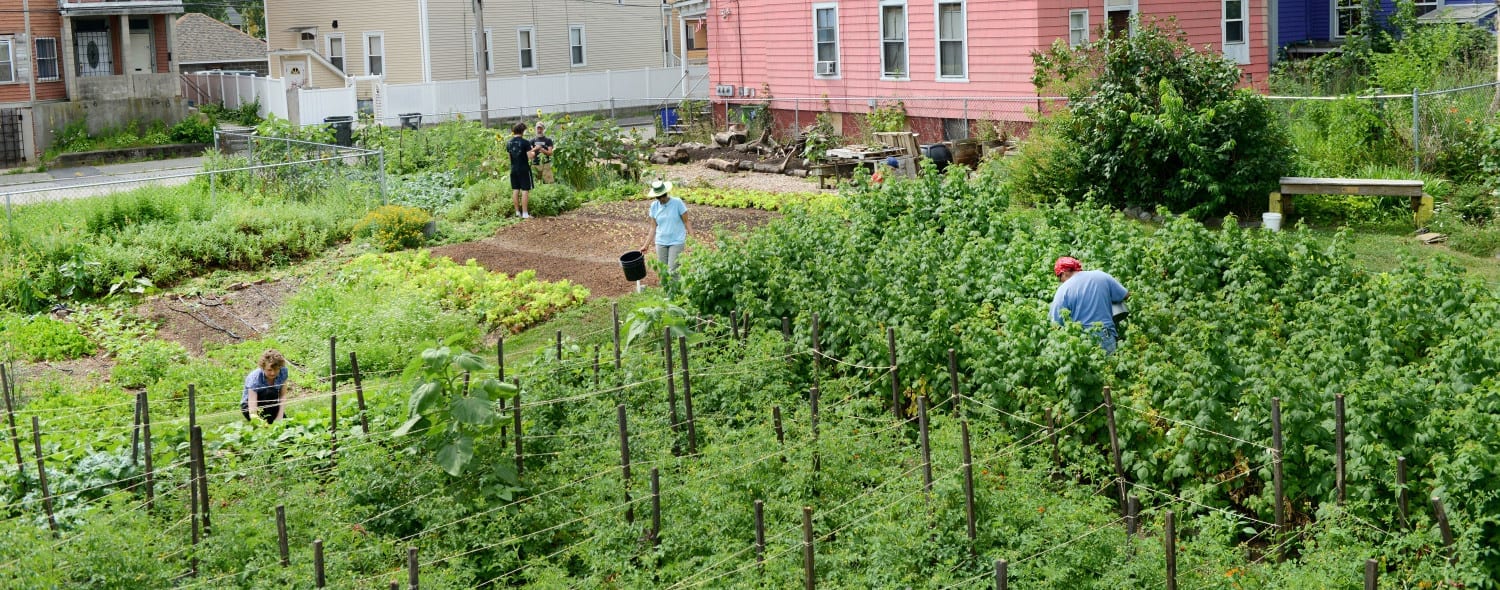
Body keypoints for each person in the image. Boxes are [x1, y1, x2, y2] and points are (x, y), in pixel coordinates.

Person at [1049, 257, 1129, 353]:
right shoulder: (1101, 276)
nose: (1060, 281)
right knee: (1110, 366)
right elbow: (1125, 295)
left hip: (1082, 340)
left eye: (1059, 277)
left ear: (1064, 272)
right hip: (1106, 335)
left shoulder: (1063, 290)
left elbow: (1056, 323)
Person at [639, 179, 691, 277]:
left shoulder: (677, 203)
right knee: (662, 270)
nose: (661, 199)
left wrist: (693, 239)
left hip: (676, 241)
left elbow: (686, 221)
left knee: (673, 270)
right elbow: (653, 227)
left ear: (666, 193)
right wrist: (646, 245)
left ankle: (676, 291)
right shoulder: (654, 206)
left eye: (663, 195)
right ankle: (666, 291)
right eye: (658, 197)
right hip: (661, 242)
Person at [242, 349, 288, 424]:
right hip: (251, 406)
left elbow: (283, 395)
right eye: (269, 370)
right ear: (263, 367)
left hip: (271, 402)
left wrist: (280, 416)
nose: (273, 373)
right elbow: (252, 412)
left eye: (276, 369)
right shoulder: (255, 379)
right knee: (268, 426)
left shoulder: (283, 372)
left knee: (285, 425)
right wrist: (261, 423)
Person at [506, 122, 539, 218]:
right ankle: (525, 213)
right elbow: (530, 156)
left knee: (515, 189)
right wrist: (534, 151)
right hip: (524, 169)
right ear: (522, 131)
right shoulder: (525, 142)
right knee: (525, 190)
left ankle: (517, 212)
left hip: (513, 169)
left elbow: (510, 158)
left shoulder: (509, 143)